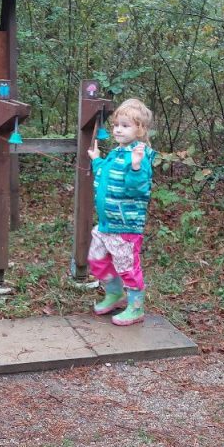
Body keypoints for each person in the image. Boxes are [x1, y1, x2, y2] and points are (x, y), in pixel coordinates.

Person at [87, 98, 155, 326]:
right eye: (116, 125)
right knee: (96, 258)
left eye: (125, 125)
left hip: (125, 227)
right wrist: (97, 160)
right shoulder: (117, 153)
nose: (118, 129)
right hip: (106, 224)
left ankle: (136, 307)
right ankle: (115, 294)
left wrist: (135, 166)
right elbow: (104, 176)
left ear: (140, 129)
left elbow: (138, 189)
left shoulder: (140, 156)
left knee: (127, 267)